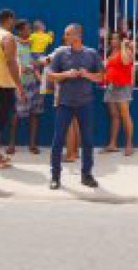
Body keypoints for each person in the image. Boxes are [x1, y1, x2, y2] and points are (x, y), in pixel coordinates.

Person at [47, 24, 105, 189]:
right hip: (64, 103)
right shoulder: (60, 53)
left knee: (87, 141)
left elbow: (101, 77)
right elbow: (50, 76)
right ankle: (55, 177)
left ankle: (86, 175)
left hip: (84, 104)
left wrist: (86, 74)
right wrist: (66, 74)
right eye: (65, 35)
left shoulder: (91, 54)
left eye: (67, 34)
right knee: (58, 141)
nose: (65, 37)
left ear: (77, 35)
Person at [0, 8, 26, 169]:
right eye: (13, 20)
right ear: (9, 19)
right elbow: (11, 63)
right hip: (1, 86)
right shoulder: (7, 37)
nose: (14, 23)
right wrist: (19, 85)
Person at [9, 20, 45, 156]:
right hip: (20, 84)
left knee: (35, 113)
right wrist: (21, 68)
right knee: (16, 114)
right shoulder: (14, 44)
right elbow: (12, 62)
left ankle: (32, 144)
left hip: (35, 83)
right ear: (19, 31)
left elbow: (38, 61)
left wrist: (38, 63)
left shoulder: (34, 43)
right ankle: (12, 144)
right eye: (27, 29)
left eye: (30, 29)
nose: (30, 31)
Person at [103, 31, 136, 155]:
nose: (112, 41)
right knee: (114, 115)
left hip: (123, 87)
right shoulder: (111, 52)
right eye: (112, 39)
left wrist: (124, 46)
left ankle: (129, 144)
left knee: (125, 115)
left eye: (116, 39)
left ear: (121, 40)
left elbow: (126, 62)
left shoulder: (127, 51)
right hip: (111, 86)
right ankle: (112, 144)